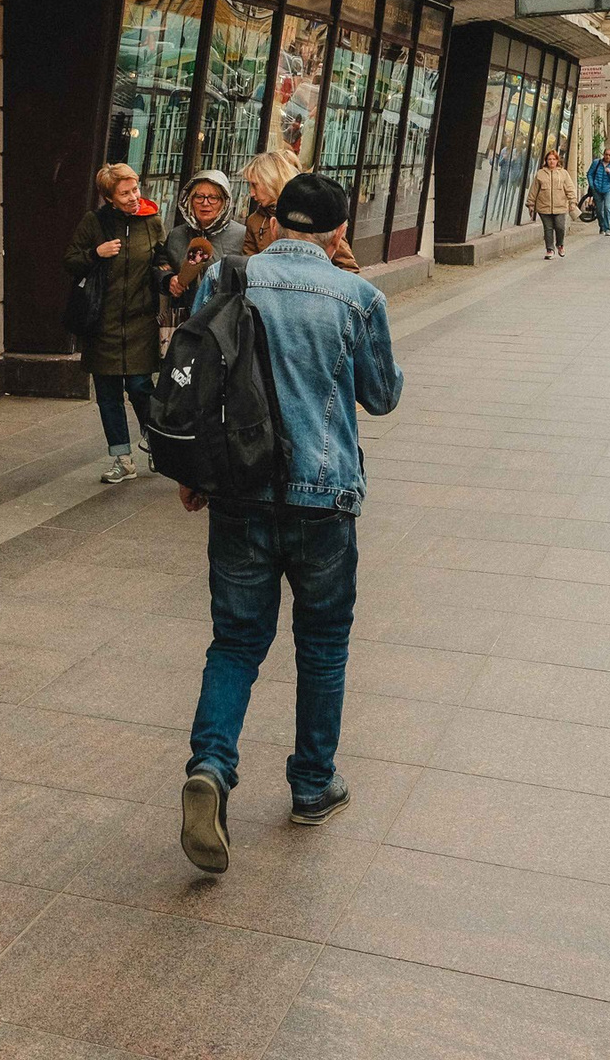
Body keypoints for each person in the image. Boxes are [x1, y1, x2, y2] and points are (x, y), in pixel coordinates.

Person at [175, 171, 402, 873]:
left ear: (274, 222)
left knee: (236, 641)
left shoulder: (229, 278)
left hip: (240, 490)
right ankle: (311, 783)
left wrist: (195, 473)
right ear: (338, 232)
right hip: (323, 499)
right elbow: (382, 395)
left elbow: (199, 377)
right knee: (323, 644)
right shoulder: (357, 296)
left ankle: (211, 766)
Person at [63, 162, 174, 483]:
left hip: (140, 322)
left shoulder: (152, 221)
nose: (133, 197)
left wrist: (167, 275)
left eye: (135, 189)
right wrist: (96, 253)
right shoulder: (94, 222)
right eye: (124, 193)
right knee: (108, 394)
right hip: (102, 323)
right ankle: (122, 459)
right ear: (109, 197)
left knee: (141, 387)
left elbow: (162, 259)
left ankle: (155, 443)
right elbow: (71, 260)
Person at [243, 149, 360, 271]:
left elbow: (348, 268)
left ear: (271, 181)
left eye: (255, 185)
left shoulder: (315, 213)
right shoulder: (255, 221)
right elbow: (248, 267)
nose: (251, 193)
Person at [165, 170, 246, 313]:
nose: (205, 203)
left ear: (225, 202)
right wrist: (169, 280)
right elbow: (161, 266)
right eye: (199, 197)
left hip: (223, 318)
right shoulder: (176, 235)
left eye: (213, 198)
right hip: (184, 318)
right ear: (189, 200)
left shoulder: (241, 235)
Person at [527, 148, 579, 259]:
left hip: (560, 206)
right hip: (544, 206)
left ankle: (560, 244)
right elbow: (534, 189)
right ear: (546, 160)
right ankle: (549, 249)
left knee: (560, 227)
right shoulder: (540, 174)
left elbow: (570, 188)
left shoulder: (563, 173)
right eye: (549, 159)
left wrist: (572, 202)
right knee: (548, 228)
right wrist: (530, 204)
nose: (551, 161)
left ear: (557, 160)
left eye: (554, 159)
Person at [583, 150, 610, 235]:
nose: (607, 157)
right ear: (603, 154)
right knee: (599, 210)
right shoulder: (596, 163)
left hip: (608, 189)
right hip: (597, 189)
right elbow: (590, 174)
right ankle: (602, 226)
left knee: (607, 208)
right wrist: (592, 185)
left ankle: (608, 228)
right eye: (606, 154)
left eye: (609, 155)